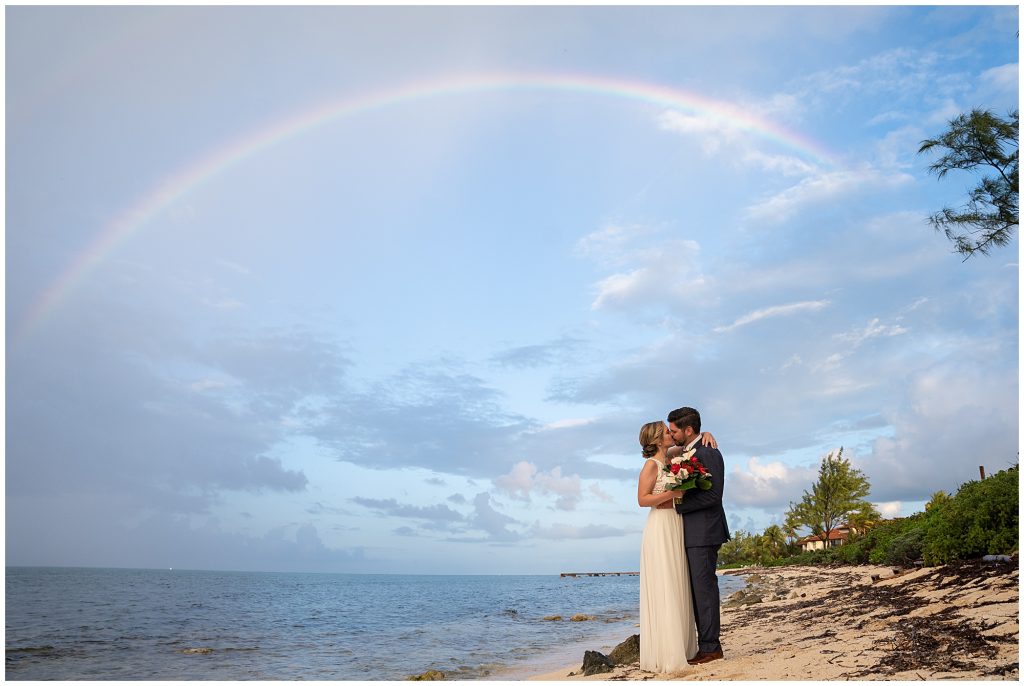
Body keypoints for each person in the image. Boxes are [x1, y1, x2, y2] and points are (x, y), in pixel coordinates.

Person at [636, 421, 717, 674]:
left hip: (676, 524)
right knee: (666, 584)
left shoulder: (671, 457)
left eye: (672, 431)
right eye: (666, 432)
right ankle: (666, 652)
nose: (671, 435)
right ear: (659, 439)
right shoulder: (651, 465)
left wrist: (705, 433)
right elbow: (642, 499)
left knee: (678, 583)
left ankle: (683, 647)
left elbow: (688, 443)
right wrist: (671, 494)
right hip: (660, 527)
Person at [666, 406, 730, 665]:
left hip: (704, 532)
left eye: (674, 431)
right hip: (691, 533)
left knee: (704, 591)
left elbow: (714, 495)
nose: (671, 435)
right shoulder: (687, 451)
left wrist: (678, 505)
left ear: (688, 430)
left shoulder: (708, 451)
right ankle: (705, 644)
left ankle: (711, 647)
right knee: (695, 591)